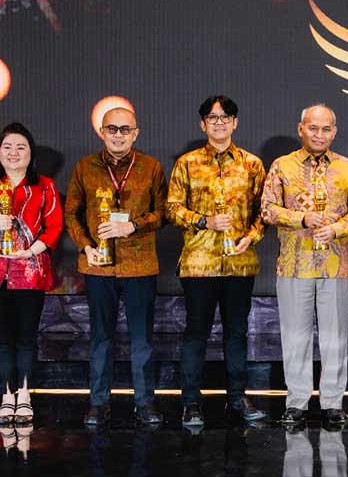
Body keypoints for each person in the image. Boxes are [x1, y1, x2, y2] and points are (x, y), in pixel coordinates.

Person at [262, 104, 348, 427]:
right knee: (295, 336)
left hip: (336, 266)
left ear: (334, 132)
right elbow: (267, 210)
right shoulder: (282, 166)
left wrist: (336, 228)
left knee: (335, 337)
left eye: (325, 129)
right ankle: (296, 402)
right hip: (294, 265)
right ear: (301, 129)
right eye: (313, 128)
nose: (319, 135)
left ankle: (333, 402)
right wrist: (302, 218)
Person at [167, 96, 268, 427]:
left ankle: (237, 397)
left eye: (226, 117)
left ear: (235, 122)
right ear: (203, 124)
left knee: (236, 333)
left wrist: (251, 237)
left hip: (240, 263)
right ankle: (190, 403)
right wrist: (204, 221)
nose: (219, 122)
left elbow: (264, 211)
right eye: (213, 118)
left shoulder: (253, 164)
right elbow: (172, 208)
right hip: (199, 264)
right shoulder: (187, 163)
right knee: (196, 334)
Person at [65, 107, 168, 425]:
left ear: (136, 133)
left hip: (140, 265)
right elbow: (71, 213)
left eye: (125, 129)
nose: (118, 135)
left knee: (142, 339)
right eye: (112, 129)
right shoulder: (85, 167)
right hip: (98, 265)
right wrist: (86, 246)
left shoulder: (151, 167)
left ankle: (145, 402)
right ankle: (98, 403)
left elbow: (163, 213)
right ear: (102, 132)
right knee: (100, 337)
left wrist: (132, 226)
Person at [0, 122, 63, 425]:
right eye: (7, 147)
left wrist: (30, 251)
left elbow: (54, 227)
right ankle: (6, 396)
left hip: (30, 273)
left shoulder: (45, 185)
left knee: (26, 338)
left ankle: (24, 396)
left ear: (30, 153)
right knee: (2, 339)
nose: (13, 153)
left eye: (20, 147)